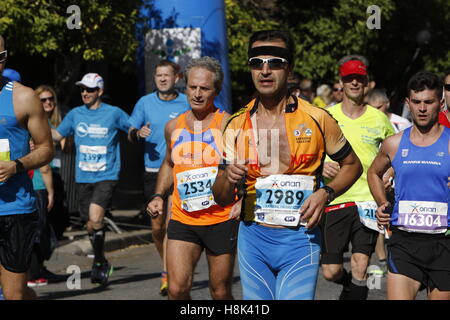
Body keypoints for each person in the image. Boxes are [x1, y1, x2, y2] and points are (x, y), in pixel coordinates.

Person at [212, 30, 362, 300]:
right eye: (257, 62)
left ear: (289, 68)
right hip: (253, 240)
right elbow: (221, 197)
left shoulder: (317, 118)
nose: (265, 70)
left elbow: (352, 164)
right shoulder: (235, 124)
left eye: (276, 62)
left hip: (300, 240)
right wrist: (228, 177)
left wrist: (326, 193)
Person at [147, 56, 240, 300]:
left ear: (216, 90)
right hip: (183, 217)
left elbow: (246, 169)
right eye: (192, 87)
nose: (197, 94)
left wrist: (243, 200)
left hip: (221, 218)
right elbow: (168, 163)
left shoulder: (229, 125)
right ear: (185, 87)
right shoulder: (173, 126)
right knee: (177, 290)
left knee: (219, 292)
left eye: (205, 88)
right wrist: (158, 195)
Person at [368, 71, 450, 300]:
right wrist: (382, 203)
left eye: (429, 102)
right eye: (416, 102)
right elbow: (374, 173)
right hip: (405, 241)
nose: (422, 108)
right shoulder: (394, 143)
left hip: (444, 243)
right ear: (408, 103)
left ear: (440, 104)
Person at [320, 57, 395, 300]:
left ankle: (356, 290)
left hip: (367, 202)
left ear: (367, 84)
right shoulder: (325, 116)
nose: (354, 83)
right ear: (340, 83)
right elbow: (310, 153)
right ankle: (351, 289)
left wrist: (390, 173)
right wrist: (321, 166)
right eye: (349, 78)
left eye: (359, 79)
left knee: (361, 267)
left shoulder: (379, 118)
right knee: (330, 271)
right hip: (334, 200)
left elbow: (395, 153)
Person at [52, 73, 130, 285]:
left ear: (100, 91)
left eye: (90, 89)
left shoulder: (113, 113)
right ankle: (101, 260)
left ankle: (98, 263)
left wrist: (138, 131)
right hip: (83, 176)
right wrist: (34, 132)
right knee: (89, 223)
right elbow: (57, 136)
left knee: (96, 218)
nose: (85, 93)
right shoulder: (76, 114)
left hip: (107, 174)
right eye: (83, 89)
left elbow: (131, 128)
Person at [128, 60, 190, 295]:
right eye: (158, 75)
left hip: (179, 171)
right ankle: (168, 263)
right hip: (152, 172)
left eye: (166, 75)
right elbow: (130, 132)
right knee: (156, 228)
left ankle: (169, 273)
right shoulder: (145, 102)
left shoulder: (186, 102)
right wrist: (137, 132)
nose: (162, 79)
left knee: (171, 224)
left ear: (177, 78)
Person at [0, 35, 54, 299]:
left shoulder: (23, 97)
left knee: (15, 295)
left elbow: (46, 148)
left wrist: (16, 166)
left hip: (14, 209)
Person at [366, 88, 412, 277]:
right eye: (372, 108)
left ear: (386, 104)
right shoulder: (369, 121)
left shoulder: (402, 123)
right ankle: (384, 260)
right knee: (379, 218)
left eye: (378, 107)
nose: (375, 111)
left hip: (400, 181)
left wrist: (393, 174)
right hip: (377, 177)